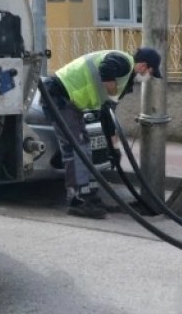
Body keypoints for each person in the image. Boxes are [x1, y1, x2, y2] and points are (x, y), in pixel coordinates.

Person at [41, 47, 163, 218]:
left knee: (83, 145)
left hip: (68, 101)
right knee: (77, 147)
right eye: (151, 71)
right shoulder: (123, 62)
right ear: (143, 66)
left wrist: (113, 147)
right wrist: (111, 90)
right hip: (58, 94)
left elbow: (107, 115)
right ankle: (78, 201)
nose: (149, 77)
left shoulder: (124, 81)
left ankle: (89, 196)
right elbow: (106, 69)